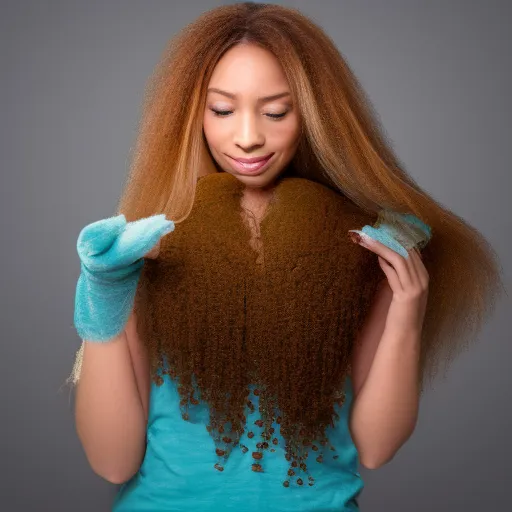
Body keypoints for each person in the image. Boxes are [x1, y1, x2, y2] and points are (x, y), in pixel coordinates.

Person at [66, 3, 504, 511]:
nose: (248, 136)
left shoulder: (358, 244)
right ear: (192, 113)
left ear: (315, 114)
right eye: (223, 110)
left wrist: (407, 313)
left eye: (276, 111)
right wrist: (102, 299)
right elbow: (112, 462)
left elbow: (377, 447)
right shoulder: (150, 248)